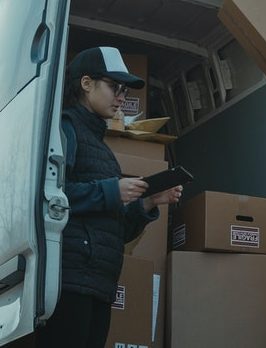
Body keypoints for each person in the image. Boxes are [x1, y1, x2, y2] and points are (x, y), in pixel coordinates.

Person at [35, 47, 183, 348]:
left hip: (99, 283)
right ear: (86, 84)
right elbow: (46, 196)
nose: (121, 96)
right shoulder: (66, 128)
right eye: (114, 86)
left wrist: (148, 203)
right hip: (69, 280)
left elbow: (115, 231)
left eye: (124, 89)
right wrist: (112, 191)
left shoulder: (102, 150)